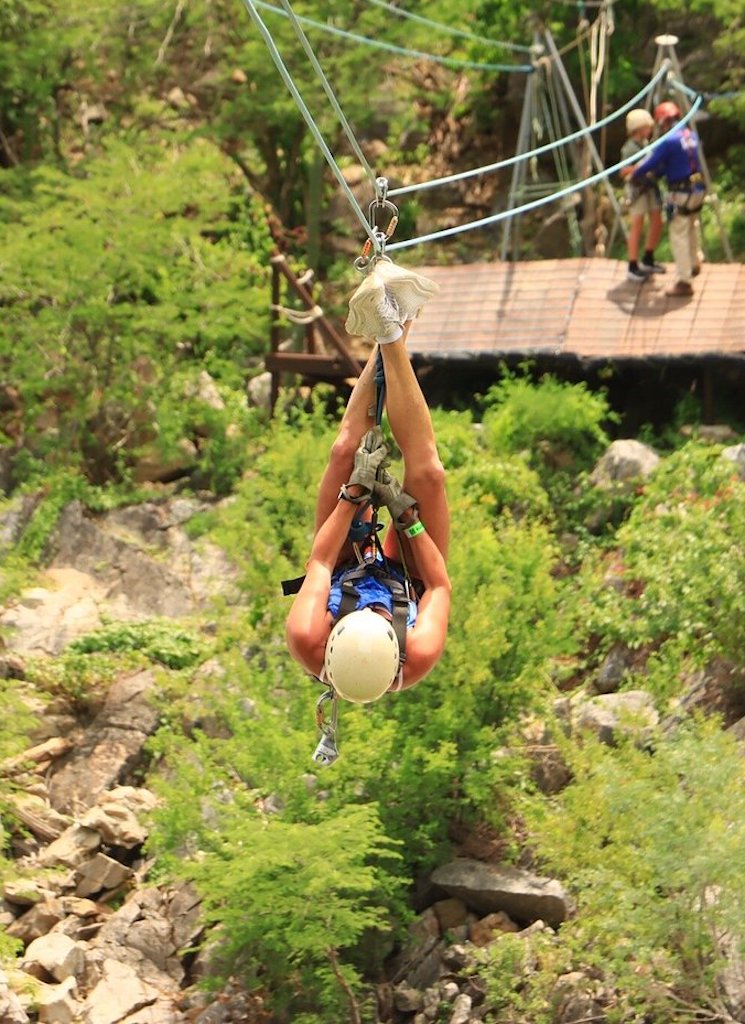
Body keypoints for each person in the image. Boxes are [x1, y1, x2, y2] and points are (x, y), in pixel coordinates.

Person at [285, 262, 451, 702]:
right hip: (410, 580)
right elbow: (438, 586)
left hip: (341, 567)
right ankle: (394, 325)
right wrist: (407, 517)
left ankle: (390, 325)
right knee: (429, 474)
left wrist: (355, 491)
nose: (376, 609)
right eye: (378, 614)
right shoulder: (418, 652)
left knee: (344, 452)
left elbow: (320, 564)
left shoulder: (306, 635)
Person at [631, 100, 706, 298]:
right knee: (690, 225)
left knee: (678, 233)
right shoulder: (692, 135)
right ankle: (694, 264)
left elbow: (652, 162)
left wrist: (635, 173)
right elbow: (678, 162)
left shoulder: (668, 140)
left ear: (663, 122)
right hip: (697, 189)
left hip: (681, 192)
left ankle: (684, 281)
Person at [620, 108, 665, 282]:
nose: (650, 130)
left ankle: (648, 258)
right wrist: (641, 167)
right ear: (638, 128)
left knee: (657, 220)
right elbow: (623, 171)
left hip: (650, 187)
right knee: (637, 224)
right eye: (647, 127)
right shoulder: (629, 148)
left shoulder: (646, 144)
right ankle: (632, 265)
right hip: (637, 189)